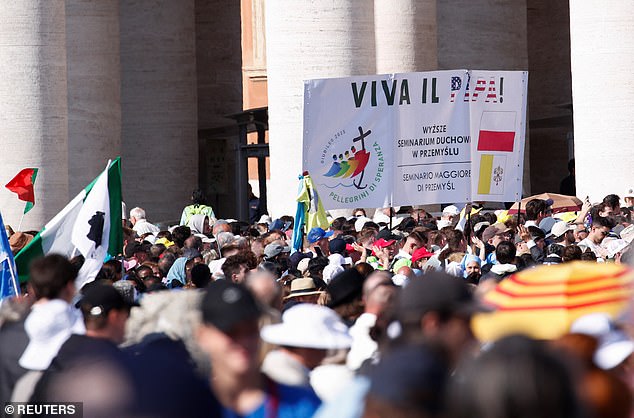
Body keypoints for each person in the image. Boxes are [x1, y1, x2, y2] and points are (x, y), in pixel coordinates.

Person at [196, 281, 321, 417]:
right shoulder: (183, 405)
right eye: (231, 331)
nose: (244, 341)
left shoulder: (302, 404)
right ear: (203, 336)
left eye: (251, 330)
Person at [260, 304, 351, 393]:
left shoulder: (281, 368)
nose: (325, 353)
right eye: (323, 348)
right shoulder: (291, 381)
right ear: (311, 348)